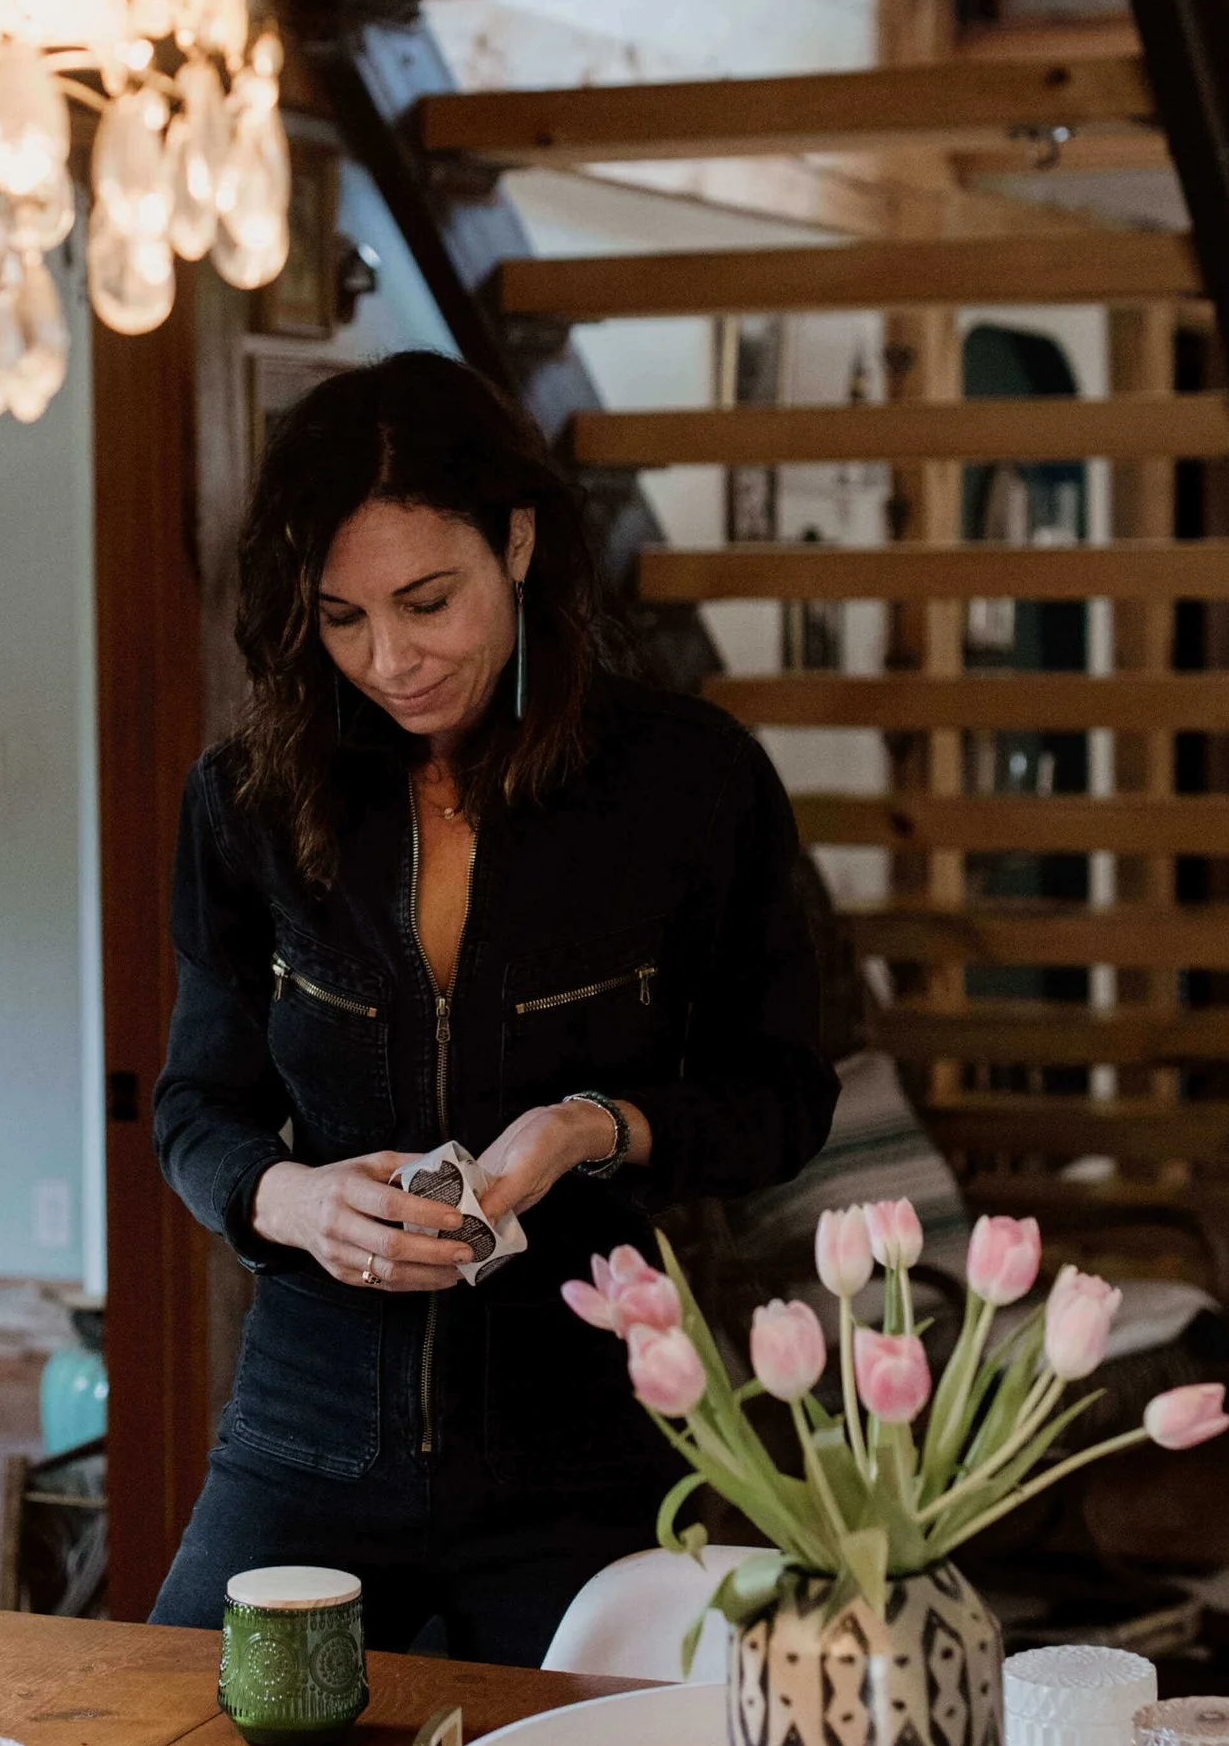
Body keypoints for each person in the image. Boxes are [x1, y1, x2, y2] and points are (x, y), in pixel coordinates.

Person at [150, 349, 835, 1662]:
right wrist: (287, 1201)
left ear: (516, 542)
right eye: (342, 618)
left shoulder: (689, 785)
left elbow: (781, 1092)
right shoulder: (248, 800)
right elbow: (198, 1101)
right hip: (307, 1418)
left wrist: (596, 1126)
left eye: (428, 601)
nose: (391, 659)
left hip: (587, 1431)